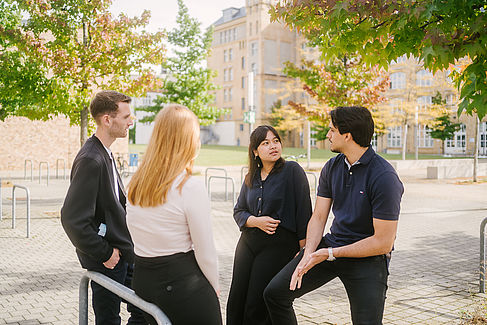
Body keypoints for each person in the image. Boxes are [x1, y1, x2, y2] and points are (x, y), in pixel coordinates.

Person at [263, 106, 404, 324]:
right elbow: (319, 216)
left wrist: (330, 252)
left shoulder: (384, 177)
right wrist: (308, 253)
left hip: (368, 259)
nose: (327, 135)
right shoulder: (332, 166)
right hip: (331, 249)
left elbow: (384, 242)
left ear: (347, 135)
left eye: (331, 130)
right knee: (275, 294)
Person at [126, 104, 222, 325]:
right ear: (188, 141)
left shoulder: (135, 183)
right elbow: (206, 252)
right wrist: (214, 286)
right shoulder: (189, 187)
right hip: (182, 285)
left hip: (144, 279)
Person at [61, 90, 146, 325]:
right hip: (108, 259)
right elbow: (72, 219)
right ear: (107, 120)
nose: (132, 121)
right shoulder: (91, 158)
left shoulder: (105, 152)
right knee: (109, 319)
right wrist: (105, 253)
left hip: (123, 254)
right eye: (126, 116)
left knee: (145, 310)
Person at [227, 125, 312, 325]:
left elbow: (304, 212)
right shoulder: (251, 177)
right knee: (236, 299)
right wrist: (256, 221)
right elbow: (238, 211)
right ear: (255, 151)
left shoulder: (292, 170)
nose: (273, 146)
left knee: (255, 303)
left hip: (278, 245)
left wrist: (303, 251)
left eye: (275, 141)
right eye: (265, 143)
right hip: (248, 243)